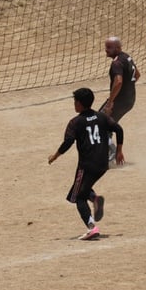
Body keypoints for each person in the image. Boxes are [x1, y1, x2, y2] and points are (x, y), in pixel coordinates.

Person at [48, 87, 124, 241]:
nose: (74, 104)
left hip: (87, 165)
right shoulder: (102, 117)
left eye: (75, 101)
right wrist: (119, 151)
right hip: (103, 164)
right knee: (82, 187)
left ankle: (92, 227)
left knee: (79, 197)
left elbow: (68, 142)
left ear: (79, 104)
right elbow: (119, 129)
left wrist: (55, 156)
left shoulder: (75, 122)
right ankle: (95, 199)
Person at [99, 36, 139, 162]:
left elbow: (118, 81)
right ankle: (108, 151)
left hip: (119, 101)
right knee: (107, 123)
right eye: (106, 47)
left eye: (109, 47)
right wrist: (128, 88)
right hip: (129, 100)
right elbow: (137, 75)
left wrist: (110, 102)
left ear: (117, 48)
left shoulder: (116, 63)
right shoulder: (127, 57)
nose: (106, 50)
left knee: (99, 123)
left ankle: (112, 153)